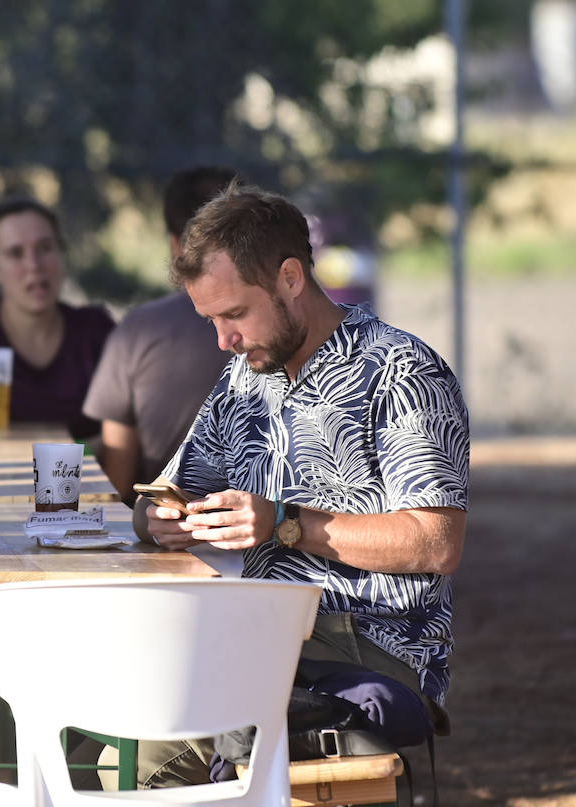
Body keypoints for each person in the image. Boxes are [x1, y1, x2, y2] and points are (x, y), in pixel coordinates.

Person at [118, 184, 467, 788]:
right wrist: (160, 520)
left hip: (366, 645)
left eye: (233, 314)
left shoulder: (402, 371)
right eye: (211, 320)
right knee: (121, 722)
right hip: (256, 638)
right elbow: (159, 496)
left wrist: (285, 523)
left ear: (290, 277)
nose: (223, 339)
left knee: (147, 758)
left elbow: (436, 543)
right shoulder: (245, 378)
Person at [81, 166, 236, 504]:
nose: (226, 338)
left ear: (177, 246)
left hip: (168, 530)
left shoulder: (137, 332)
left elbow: (118, 486)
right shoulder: (289, 335)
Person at [0, 196, 115, 441]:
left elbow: (125, 440)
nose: (34, 265)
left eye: (45, 248)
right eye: (15, 253)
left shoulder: (95, 329)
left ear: (62, 254)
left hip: (81, 479)